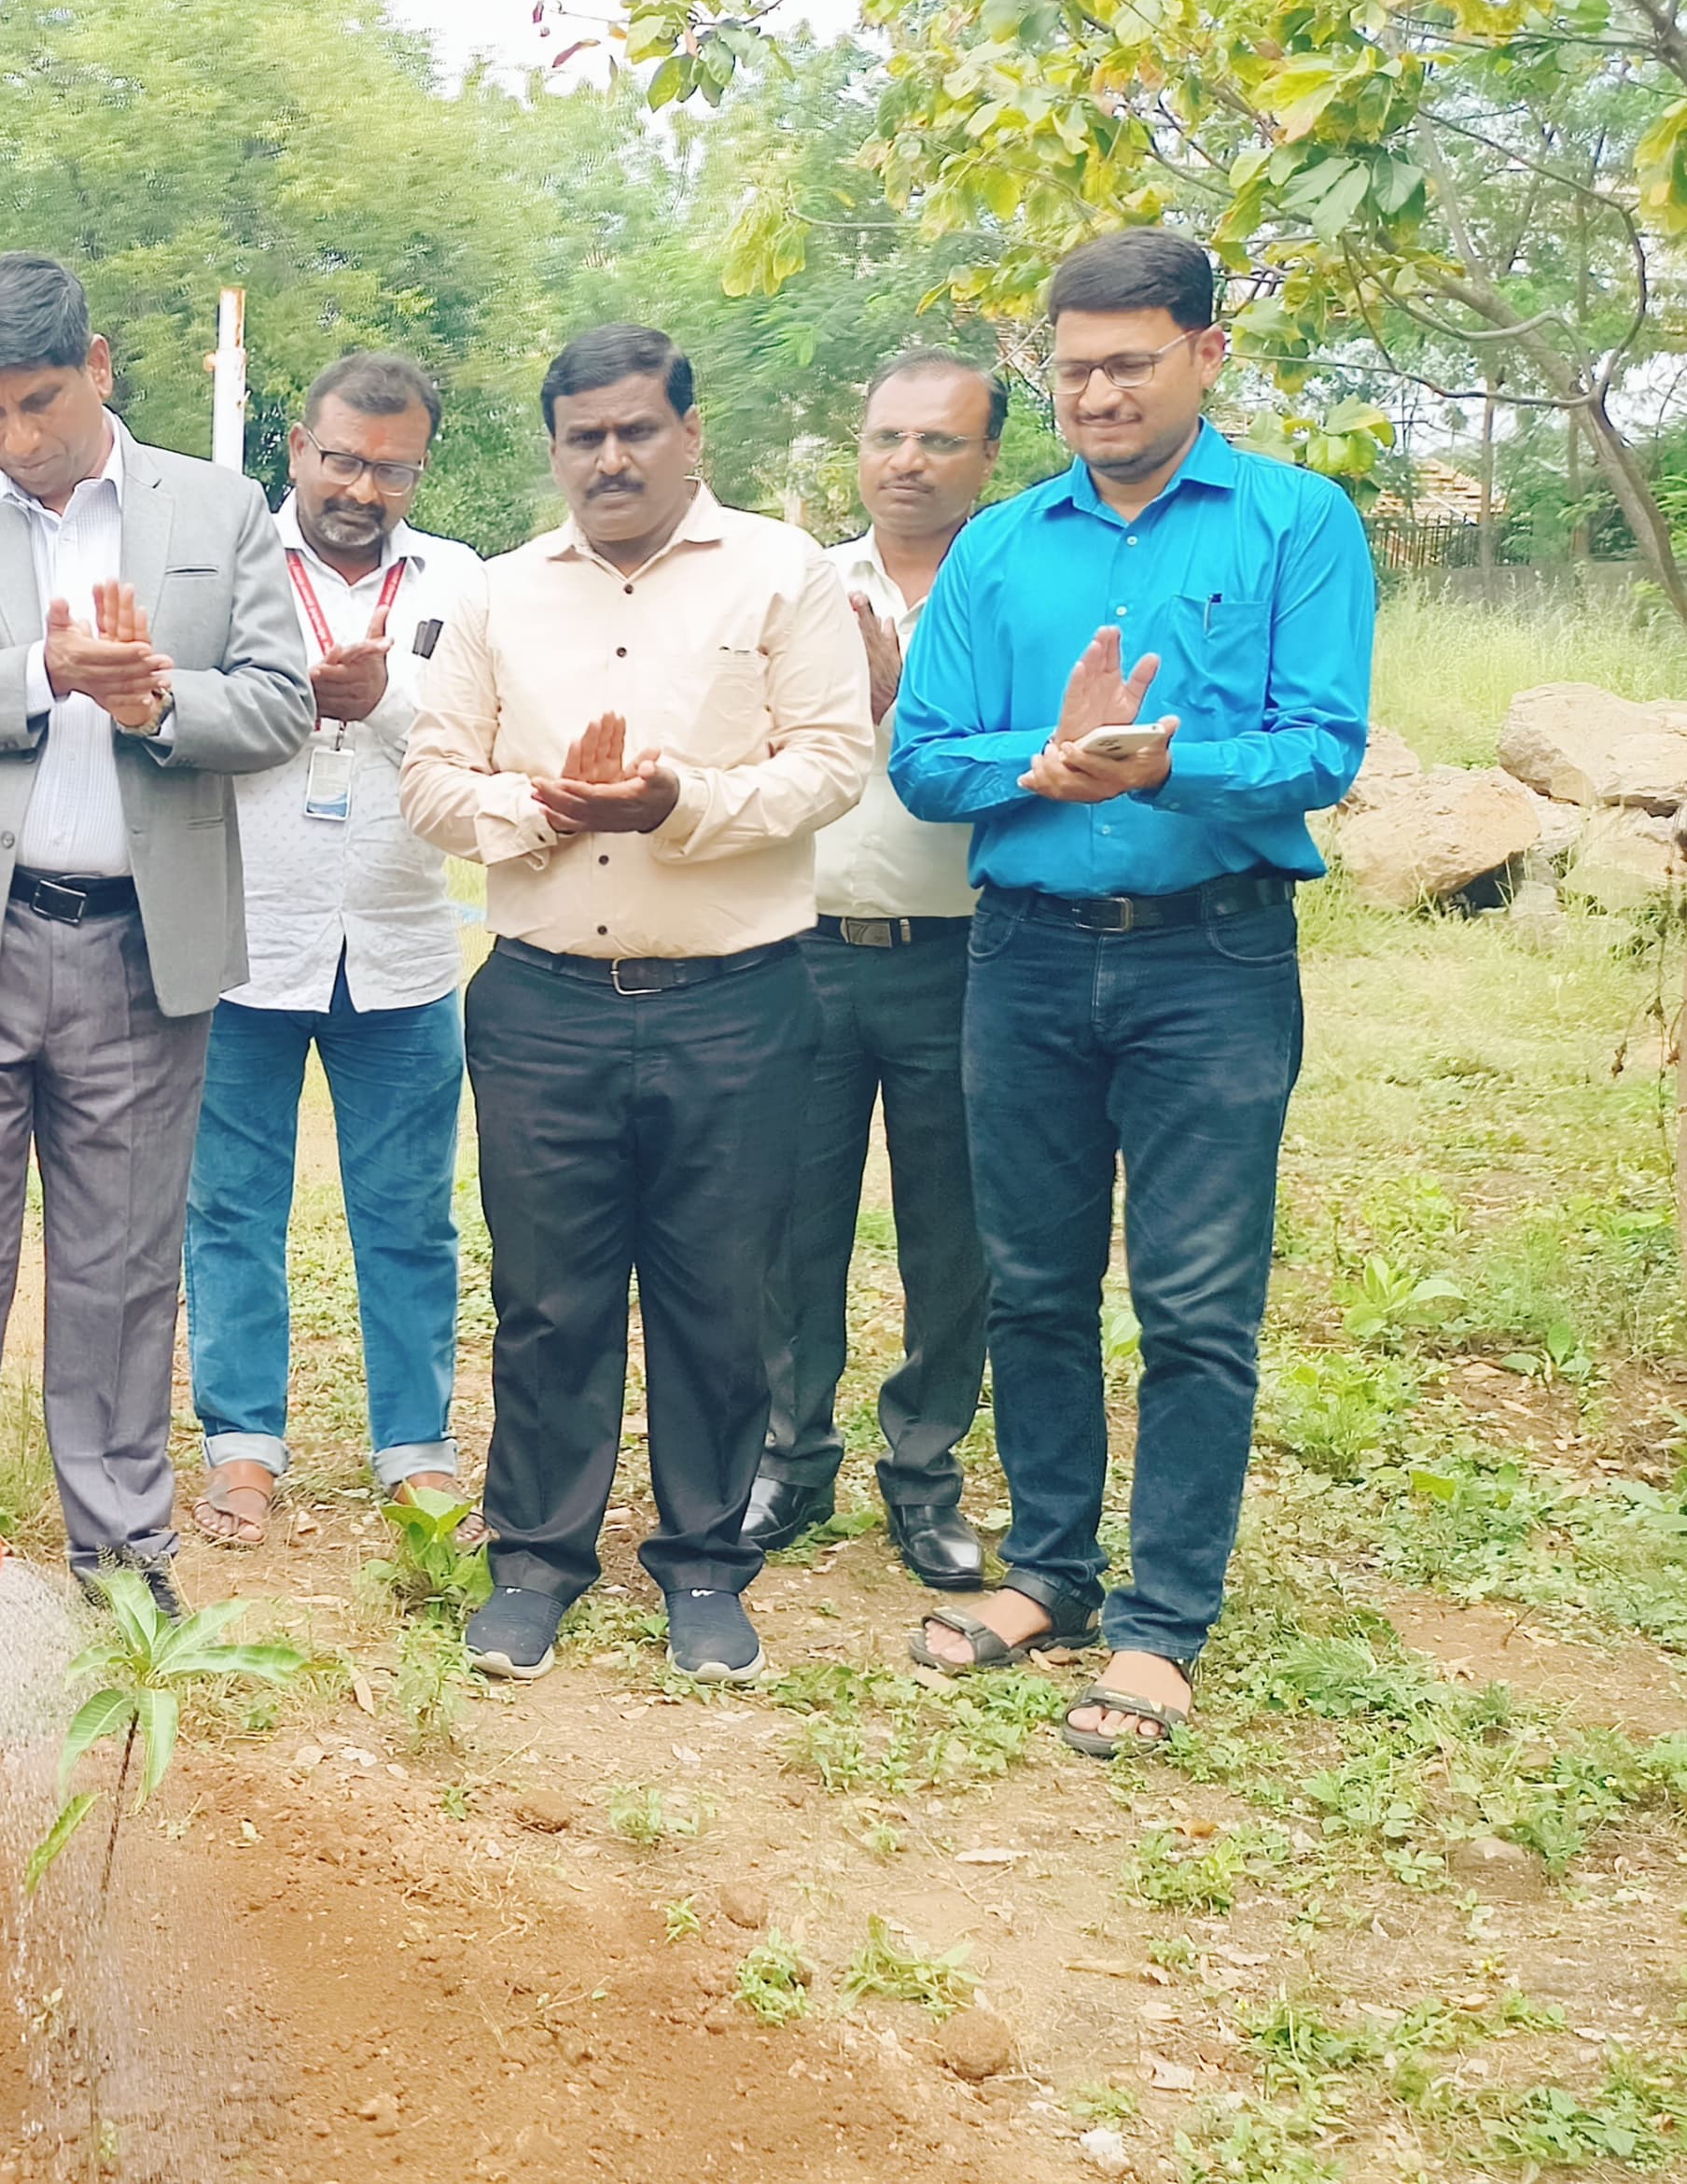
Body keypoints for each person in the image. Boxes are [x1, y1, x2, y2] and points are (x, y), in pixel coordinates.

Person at [892, 228, 1373, 1759]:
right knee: (1030, 1284)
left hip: (1209, 957)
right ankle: (1049, 1571)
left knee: (1194, 1303)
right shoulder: (1001, 545)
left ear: (1206, 356)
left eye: (1130, 363)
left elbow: (1326, 747)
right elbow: (924, 755)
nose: (1097, 393)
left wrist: (1178, 762)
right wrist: (1036, 762)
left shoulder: (1297, 523)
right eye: (1074, 366)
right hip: (1024, 954)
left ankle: (1164, 1623)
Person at [0, 252, 312, 1688]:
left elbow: (281, 704)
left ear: (99, 367)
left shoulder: (219, 510)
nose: (14, 438)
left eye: (37, 402)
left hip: (135, 949)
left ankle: (121, 1558)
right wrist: (40, 676)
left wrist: (160, 696)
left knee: (118, 1270)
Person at [400, 325, 872, 1687]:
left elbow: (835, 761)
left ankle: (708, 1562)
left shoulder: (785, 576)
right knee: (548, 1297)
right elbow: (435, 776)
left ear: (690, 433)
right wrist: (532, 808)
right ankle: (537, 1560)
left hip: (739, 999)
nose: (610, 458)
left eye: (635, 431)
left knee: (722, 1291)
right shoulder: (497, 594)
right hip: (545, 999)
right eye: (583, 437)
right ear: (553, 449)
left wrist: (684, 806)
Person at [183, 351, 484, 1548]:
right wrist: (279, 700)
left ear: (419, 467)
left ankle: (414, 1446)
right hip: (246, 940)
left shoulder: (463, 584)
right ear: (295, 448)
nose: (362, 485)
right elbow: (177, 719)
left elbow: (479, 734)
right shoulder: (224, 564)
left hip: (404, 944)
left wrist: (385, 704)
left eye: (392, 466)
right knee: (230, 1208)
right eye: (342, 458)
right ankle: (240, 1446)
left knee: (407, 1211)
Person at [741, 350, 1010, 1590]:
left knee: (953, 1233)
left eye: (938, 442)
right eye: (887, 437)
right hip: (802, 947)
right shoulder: (801, 584)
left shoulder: (1015, 580)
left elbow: (1048, 743)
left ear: (989, 459)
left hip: (966, 952)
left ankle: (927, 1475)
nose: (907, 461)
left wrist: (914, 700)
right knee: (790, 1224)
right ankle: (789, 1461)